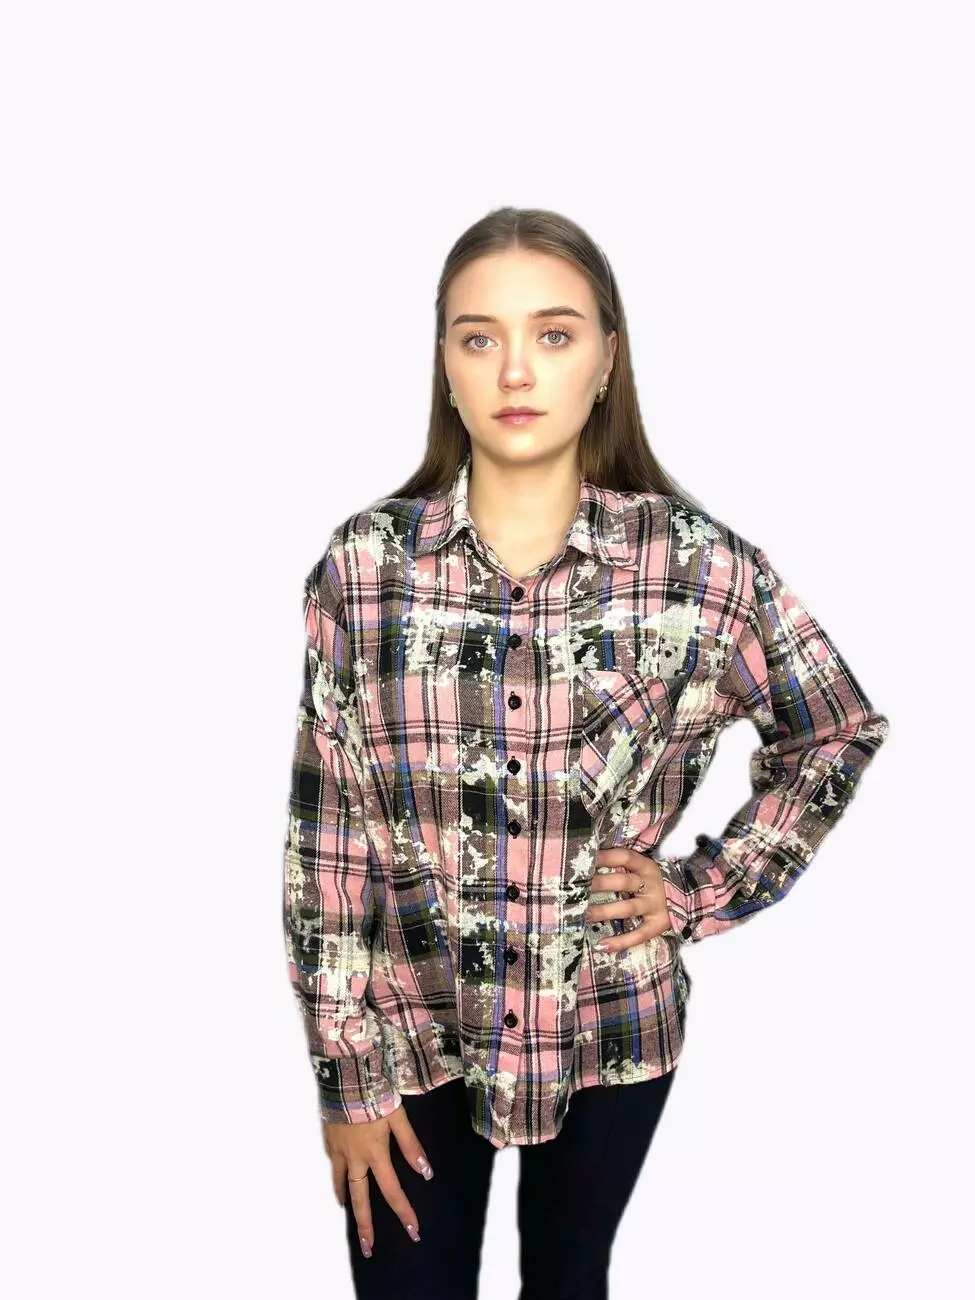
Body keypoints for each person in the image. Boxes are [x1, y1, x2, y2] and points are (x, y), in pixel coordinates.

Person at [282, 206, 890, 1300]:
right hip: (411, 1026)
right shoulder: (363, 570)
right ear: (445, 365)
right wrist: (344, 1071)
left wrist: (696, 891)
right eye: (480, 337)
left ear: (607, 358)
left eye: (553, 334)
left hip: (609, 1026)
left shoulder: (699, 572)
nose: (515, 369)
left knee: (569, 1282)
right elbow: (326, 842)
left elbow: (833, 727)